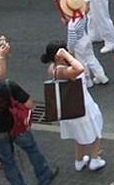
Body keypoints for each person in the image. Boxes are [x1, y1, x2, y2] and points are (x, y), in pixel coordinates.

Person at [0, 58, 58, 185]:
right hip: (18, 127)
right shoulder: (8, 85)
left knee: (7, 161)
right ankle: (44, 175)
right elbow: (29, 104)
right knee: (32, 149)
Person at [42, 41, 106, 172]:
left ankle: (79, 160)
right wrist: (66, 54)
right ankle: (94, 159)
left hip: (69, 107)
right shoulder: (64, 71)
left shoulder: (52, 68)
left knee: (79, 136)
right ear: (58, 56)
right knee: (95, 132)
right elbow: (80, 68)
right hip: (82, 105)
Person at [60, 0, 110, 86]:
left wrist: (70, 49)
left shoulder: (72, 25)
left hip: (79, 44)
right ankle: (101, 76)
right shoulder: (82, 14)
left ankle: (87, 81)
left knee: (82, 63)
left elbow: (72, 40)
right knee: (91, 58)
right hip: (85, 38)